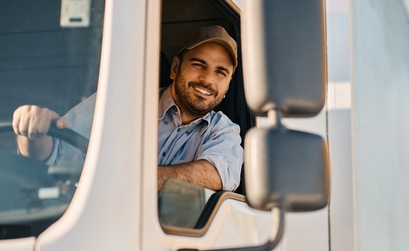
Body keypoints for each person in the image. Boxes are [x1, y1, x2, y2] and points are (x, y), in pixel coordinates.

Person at [12, 25, 244, 192]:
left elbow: (217, 175)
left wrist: (127, 180)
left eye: (220, 72)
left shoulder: (224, 131)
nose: (207, 80)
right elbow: (55, 153)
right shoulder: (119, 101)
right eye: (198, 64)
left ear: (227, 86)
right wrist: (31, 132)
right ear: (175, 68)